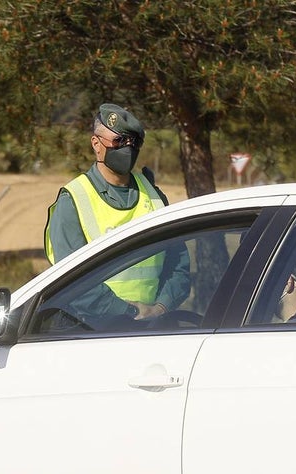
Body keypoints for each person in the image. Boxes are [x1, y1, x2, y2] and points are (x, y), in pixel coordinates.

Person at [43, 103, 190, 321]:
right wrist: (127, 312)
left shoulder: (155, 196)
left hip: (153, 328)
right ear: (96, 143)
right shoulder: (73, 199)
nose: (127, 148)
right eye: (119, 141)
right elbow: (71, 283)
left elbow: (179, 266)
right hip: (90, 331)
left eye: (134, 142)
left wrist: (159, 309)